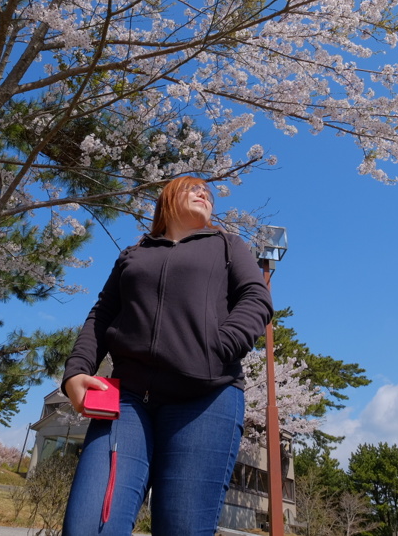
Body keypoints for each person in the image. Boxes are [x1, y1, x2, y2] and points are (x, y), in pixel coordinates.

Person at [60, 176, 273, 536]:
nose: (204, 193)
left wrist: (217, 348)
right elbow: (102, 314)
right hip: (126, 400)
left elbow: (256, 299)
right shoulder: (133, 255)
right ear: (166, 201)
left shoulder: (228, 246)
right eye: (193, 188)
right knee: (89, 526)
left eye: (208, 192)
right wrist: (76, 371)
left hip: (206, 399)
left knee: (182, 528)